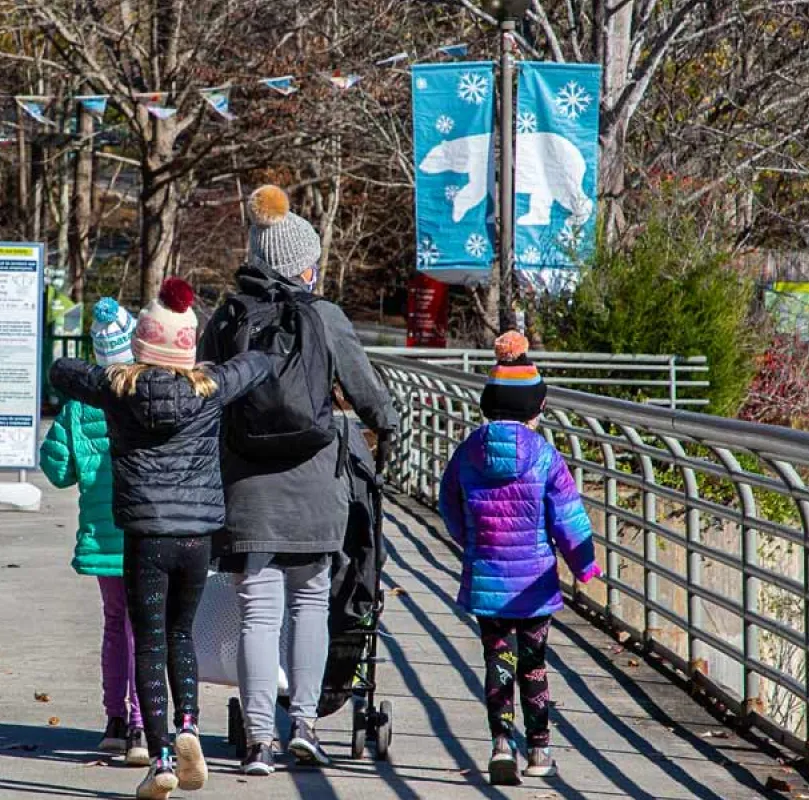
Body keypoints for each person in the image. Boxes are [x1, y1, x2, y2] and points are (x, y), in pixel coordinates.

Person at [199, 184, 399, 775]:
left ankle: (258, 739)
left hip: (246, 490)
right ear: (304, 264)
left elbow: (205, 397)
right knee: (311, 603)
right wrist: (388, 437)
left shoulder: (227, 317)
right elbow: (371, 398)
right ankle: (304, 725)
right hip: (315, 486)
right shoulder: (326, 317)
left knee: (258, 612)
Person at [49, 278, 273, 800]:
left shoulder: (118, 389)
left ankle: (163, 756)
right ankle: (190, 724)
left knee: (147, 639)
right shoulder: (211, 386)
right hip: (197, 539)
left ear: (143, 342)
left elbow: (63, 372)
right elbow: (257, 365)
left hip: (145, 538)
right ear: (186, 343)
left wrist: (116, 369)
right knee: (180, 636)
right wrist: (213, 364)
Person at [436, 331, 603, 786]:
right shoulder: (546, 457)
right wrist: (584, 564)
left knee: (497, 661)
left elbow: (448, 501)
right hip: (534, 584)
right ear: (538, 408)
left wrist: (467, 537)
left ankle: (499, 744)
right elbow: (568, 517)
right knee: (533, 663)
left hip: (487, 575)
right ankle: (540, 751)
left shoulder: (470, 451)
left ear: (489, 405)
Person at [39, 298, 147, 766]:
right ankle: (144, 724)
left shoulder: (80, 406)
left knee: (113, 623)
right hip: (145, 531)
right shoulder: (148, 393)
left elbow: (57, 468)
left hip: (103, 536)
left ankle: (114, 722)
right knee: (146, 630)